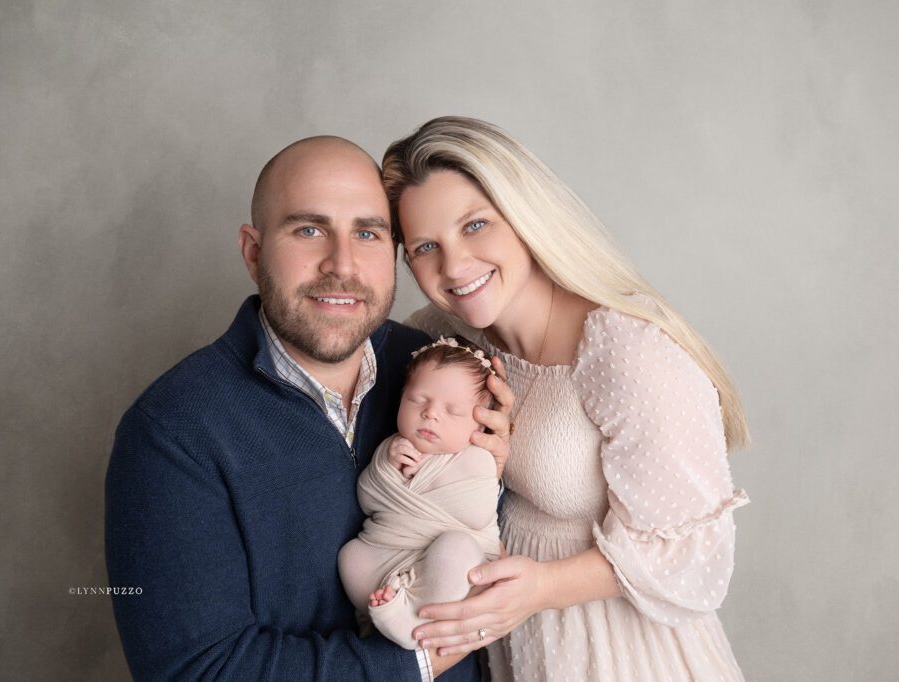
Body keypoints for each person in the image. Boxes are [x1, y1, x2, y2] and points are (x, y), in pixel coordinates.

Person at [104, 135, 513, 681]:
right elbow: (197, 670)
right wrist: (421, 658)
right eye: (309, 230)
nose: (342, 264)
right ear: (253, 252)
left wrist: (490, 469)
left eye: (367, 233)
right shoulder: (172, 431)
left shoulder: (431, 370)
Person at [380, 116, 751, 681]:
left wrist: (544, 587)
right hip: (521, 647)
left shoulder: (625, 348)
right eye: (426, 246)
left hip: (625, 653)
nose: (453, 266)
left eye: (476, 225)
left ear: (524, 217)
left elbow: (696, 551)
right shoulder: (440, 339)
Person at [339, 335, 503, 650]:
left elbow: (475, 513)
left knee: (457, 549)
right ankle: (392, 609)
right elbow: (369, 499)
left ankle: (409, 625)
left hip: (445, 568)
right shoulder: (392, 448)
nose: (431, 414)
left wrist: (413, 487)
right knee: (351, 557)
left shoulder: (477, 459)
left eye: (453, 410)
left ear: (480, 425)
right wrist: (387, 467)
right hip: (390, 552)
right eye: (417, 400)